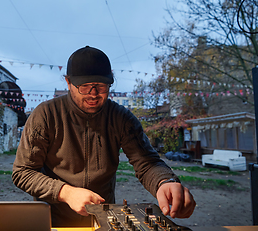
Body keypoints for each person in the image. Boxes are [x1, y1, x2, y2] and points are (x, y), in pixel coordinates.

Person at [12, 46, 196, 227]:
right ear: (68, 83)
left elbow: (147, 162)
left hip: (104, 218)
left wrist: (164, 181)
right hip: (53, 219)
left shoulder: (122, 118)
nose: (93, 94)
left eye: (101, 86)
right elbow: (23, 172)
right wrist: (65, 192)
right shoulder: (45, 115)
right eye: (84, 86)